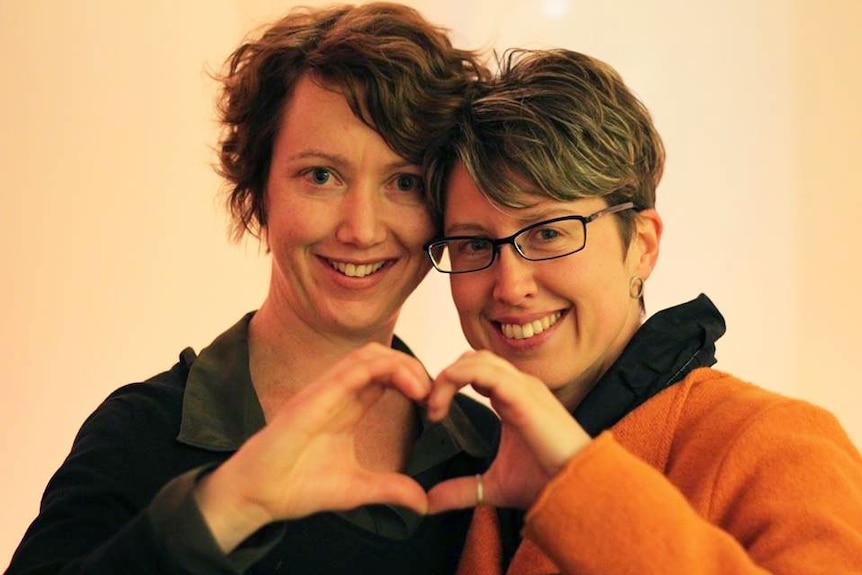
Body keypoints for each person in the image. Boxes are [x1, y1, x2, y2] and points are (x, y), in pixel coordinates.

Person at [6, 4, 499, 574]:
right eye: (320, 176)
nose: (361, 229)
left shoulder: (486, 451)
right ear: (259, 191)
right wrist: (222, 510)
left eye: (405, 182)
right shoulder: (142, 433)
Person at [421, 48, 862, 573]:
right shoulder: (478, 471)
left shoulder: (776, 443)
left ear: (643, 246)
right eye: (473, 245)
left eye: (548, 233)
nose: (510, 286)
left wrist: (582, 487)